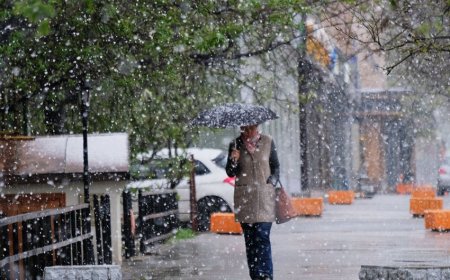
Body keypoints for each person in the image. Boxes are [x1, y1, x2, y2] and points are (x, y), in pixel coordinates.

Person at [225, 124, 280, 280]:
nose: (248, 132)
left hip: (264, 198)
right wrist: (233, 160)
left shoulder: (268, 141)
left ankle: (266, 275)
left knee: (262, 236)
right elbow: (230, 172)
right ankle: (255, 275)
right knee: (250, 241)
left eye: (252, 128)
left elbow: (276, 167)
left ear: (257, 127)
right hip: (245, 200)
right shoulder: (235, 144)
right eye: (245, 129)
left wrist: (272, 181)